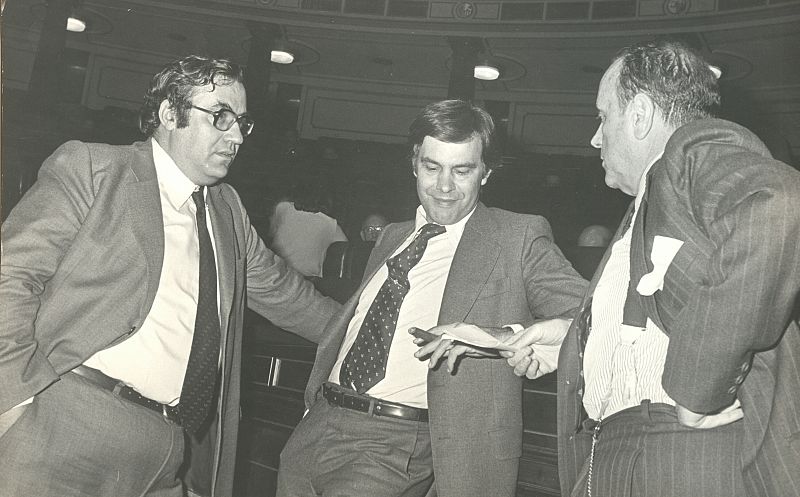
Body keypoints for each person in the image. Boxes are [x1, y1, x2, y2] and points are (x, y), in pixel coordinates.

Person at [0, 55, 341, 497]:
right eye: (220, 117)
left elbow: (285, 293)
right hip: (65, 421)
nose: (236, 136)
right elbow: (10, 276)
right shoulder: (95, 169)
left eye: (241, 122)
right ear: (169, 113)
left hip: (165, 447)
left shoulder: (227, 210)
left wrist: (370, 331)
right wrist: (14, 399)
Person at [514, 40, 800, 497]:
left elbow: (778, 204)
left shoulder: (691, 152)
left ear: (641, 115)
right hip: (618, 454)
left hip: (676, 451)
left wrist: (699, 390)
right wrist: (577, 341)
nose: (594, 137)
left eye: (603, 116)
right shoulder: (652, 204)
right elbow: (657, 317)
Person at [275, 99, 588, 497]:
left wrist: (504, 336)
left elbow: (589, 313)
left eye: (462, 170)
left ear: (486, 173)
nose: (444, 186)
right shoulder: (392, 235)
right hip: (317, 424)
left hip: (395, 441)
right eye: (432, 167)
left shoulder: (517, 237)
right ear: (413, 164)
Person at [269, 182, 348, 277]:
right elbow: (346, 249)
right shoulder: (331, 224)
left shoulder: (282, 208)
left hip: (275, 272)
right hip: (306, 279)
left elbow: (271, 234)